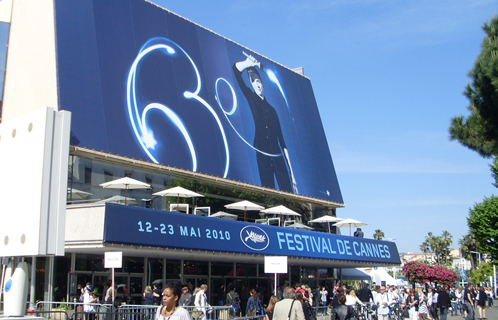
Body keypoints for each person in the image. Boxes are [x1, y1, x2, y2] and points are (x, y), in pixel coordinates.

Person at [233, 54, 298, 194]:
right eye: (253, 81)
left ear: (262, 83)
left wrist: (292, 173)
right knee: (268, 192)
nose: (256, 84)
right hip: (262, 153)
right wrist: (247, 63)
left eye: (258, 80)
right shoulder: (251, 98)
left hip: (277, 155)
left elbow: (283, 142)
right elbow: (236, 72)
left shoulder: (273, 111)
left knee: (287, 191)